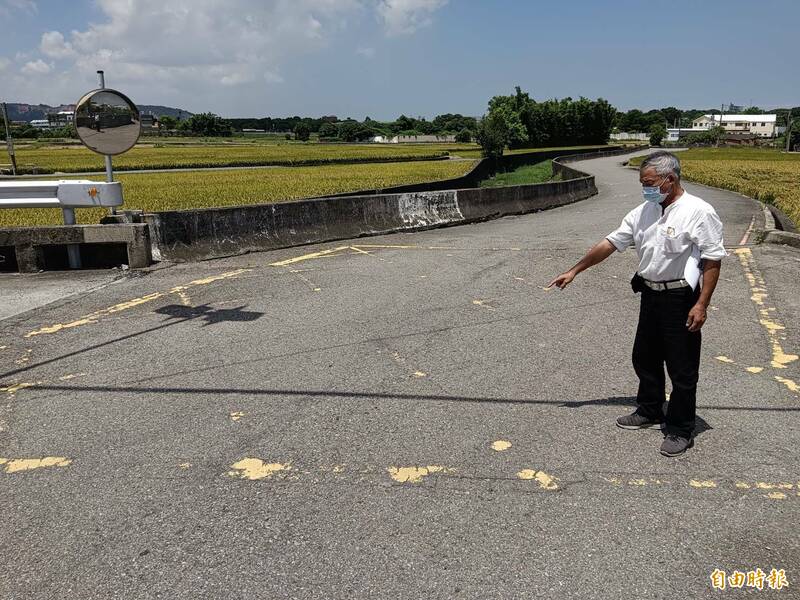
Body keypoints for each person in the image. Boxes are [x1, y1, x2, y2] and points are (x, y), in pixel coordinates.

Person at [548, 151, 725, 457]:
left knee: (682, 368)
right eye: (643, 183)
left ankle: (681, 428)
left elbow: (712, 260)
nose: (646, 188)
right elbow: (609, 243)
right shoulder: (644, 211)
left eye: (650, 182)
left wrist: (702, 304)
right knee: (645, 356)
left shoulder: (699, 211)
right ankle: (650, 409)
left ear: (670, 179)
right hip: (651, 294)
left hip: (681, 297)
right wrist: (574, 270)